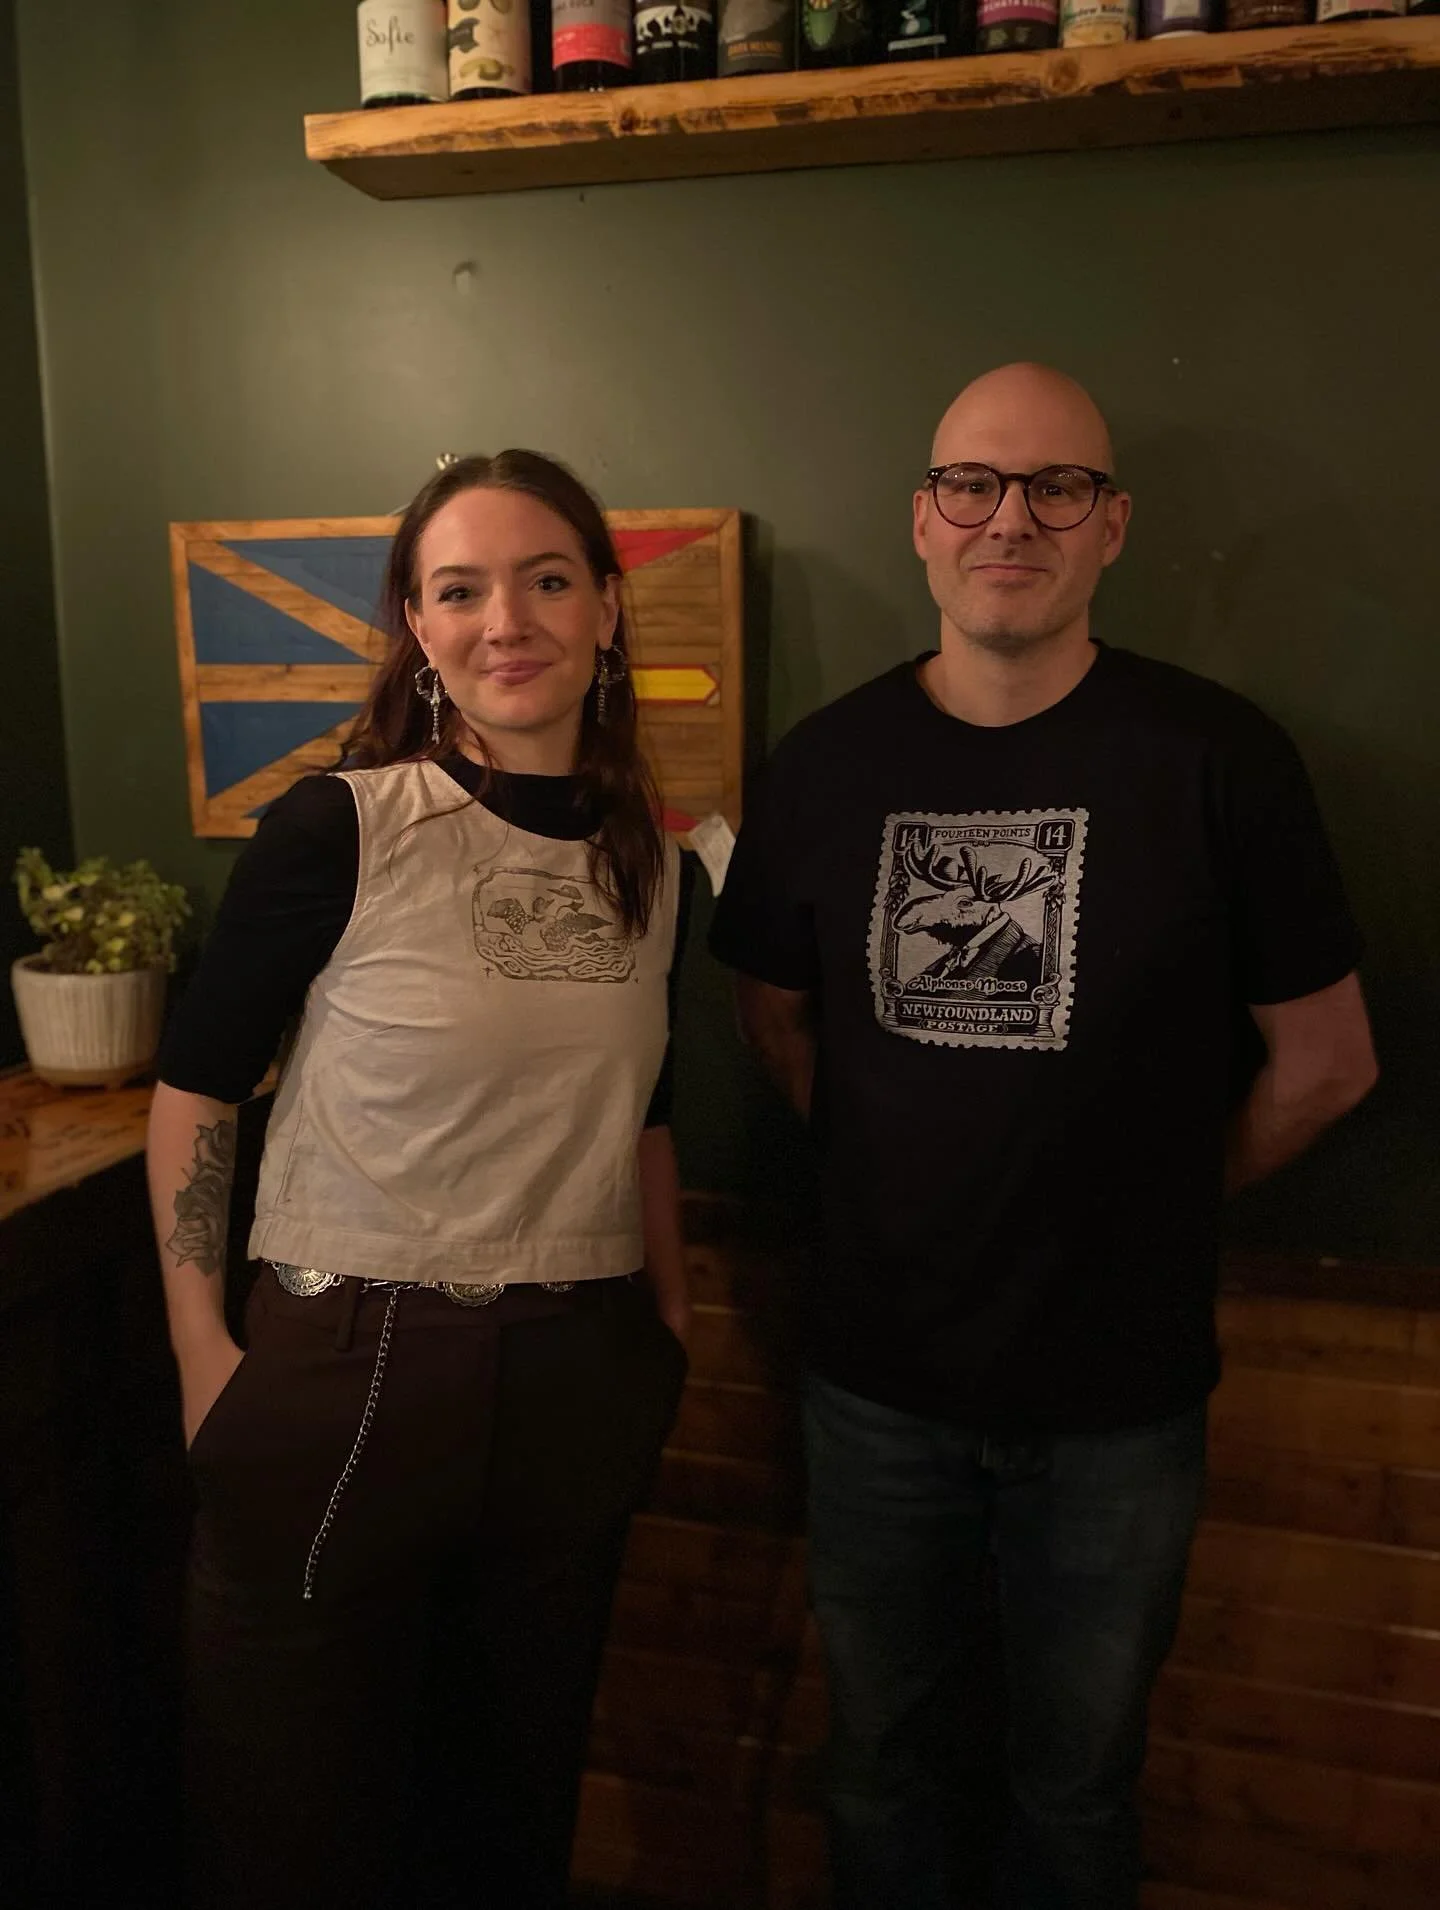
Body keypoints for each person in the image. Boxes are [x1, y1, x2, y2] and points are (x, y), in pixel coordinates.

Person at [708, 364, 1377, 1910]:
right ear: (923, 519)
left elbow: (1331, 1064)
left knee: (1075, 1792)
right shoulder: (825, 764)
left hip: (1118, 1405)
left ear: (1112, 524)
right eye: (974, 484)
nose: (1010, 518)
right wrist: (904, 1174)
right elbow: (773, 1023)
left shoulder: (1219, 757)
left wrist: (1152, 1191)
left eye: (1056, 486)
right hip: (874, 1389)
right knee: (882, 1771)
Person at [146, 450, 691, 1910]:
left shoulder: (658, 866)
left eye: (547, 579)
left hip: (578, 1369)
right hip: (346, 1362)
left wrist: (666, 1327)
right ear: (417, 625)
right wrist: (203, 1353)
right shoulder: (342, 826)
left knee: (507, 1819)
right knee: (289, 1824)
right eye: (461, 589)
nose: (506, 619)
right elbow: (196, 1088)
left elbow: (646, 1116)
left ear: (607, 610)